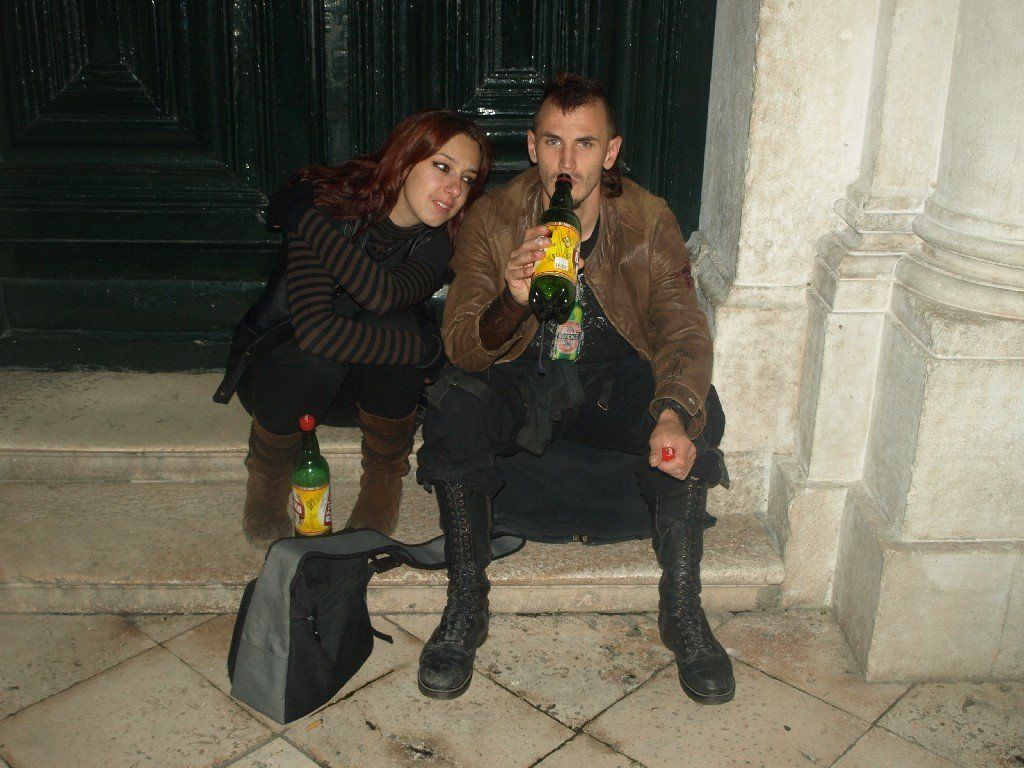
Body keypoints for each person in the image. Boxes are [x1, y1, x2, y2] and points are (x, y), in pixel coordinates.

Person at [415, 75, 733, 705]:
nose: (568, 162)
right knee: (454, 406)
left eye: (585, 144)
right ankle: (466, 604)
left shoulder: (648, 218)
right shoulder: (493, 218)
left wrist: (672, 414)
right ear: (532, 147)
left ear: (610, 152)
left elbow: (684, 332)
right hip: (524, 380)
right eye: (554, 143)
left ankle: (683, 611)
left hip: (612, 385)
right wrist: (511, 300)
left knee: (701, 410)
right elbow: (462, 347)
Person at [213, 110, 492, 547]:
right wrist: (424, 350)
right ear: (404, 160)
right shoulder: (332, 206)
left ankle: (384, 476)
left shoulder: (436, 242)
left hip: (366, 395)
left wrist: (307, 222)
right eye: (442, 166)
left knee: (392, 320)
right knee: (325, 352)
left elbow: (381, 296)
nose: (455, 189)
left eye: (467, 179)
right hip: (285, 380)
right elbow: (316, 334)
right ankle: (268, 475)